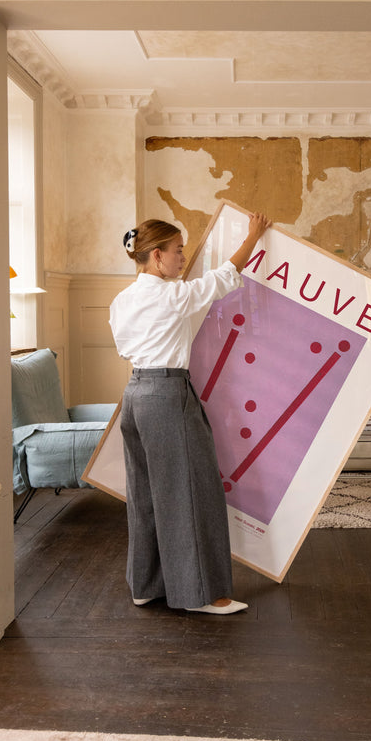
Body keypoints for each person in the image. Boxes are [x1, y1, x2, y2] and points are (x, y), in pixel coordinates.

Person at [109, 212, 271, 615]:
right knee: (192, 492)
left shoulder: (122, 300)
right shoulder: (171, 295)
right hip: (167, 394)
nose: (183, 258)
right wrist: (254, 235)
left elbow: (125, 349)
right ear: (157, 255)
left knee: (145, 494)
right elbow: (225, 277)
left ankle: (146, 585)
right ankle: (202, 595)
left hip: (135, 395)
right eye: (178, 251)